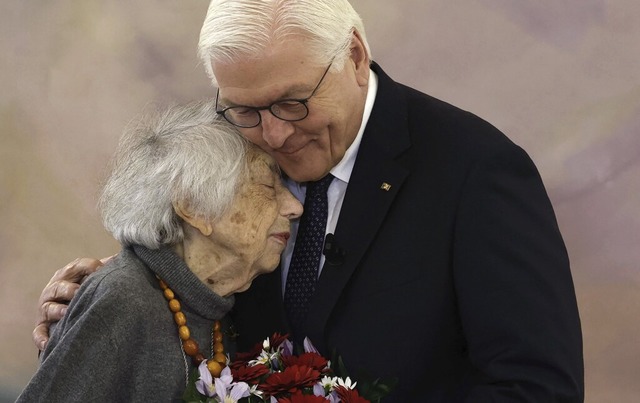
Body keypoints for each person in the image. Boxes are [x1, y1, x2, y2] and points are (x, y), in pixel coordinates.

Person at [32, 1, 584, 401]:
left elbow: (537, 387)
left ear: (354, 55)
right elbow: (197, 275)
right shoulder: (233, 146)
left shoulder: (476, 168)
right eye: (245, 110)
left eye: (293, 103)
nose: (273, 135)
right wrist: (106, 300)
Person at [18, 101, 302, 401]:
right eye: (268, 187)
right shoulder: (124, 298)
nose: (295, 207)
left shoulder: (212, 303)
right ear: (192, 207)